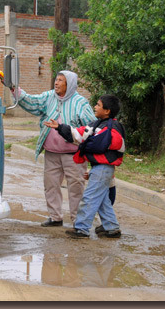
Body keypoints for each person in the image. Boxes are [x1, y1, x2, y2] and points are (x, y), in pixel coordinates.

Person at [11, 71, 96, 226]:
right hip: (52, 153)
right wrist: (15, 89)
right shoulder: (49, 96)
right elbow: (32, 102)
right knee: (50, 185)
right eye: (56, 80)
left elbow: (91, 126)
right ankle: (55, 217)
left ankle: (78, 221)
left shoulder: (80, 103)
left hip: (74, 155)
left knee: (76, 187)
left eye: (61, 80)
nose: (56, 83)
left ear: (69, 84)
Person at [44, 94, 125, 239]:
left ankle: (81, 229)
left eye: (98, 105)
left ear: (107, 111)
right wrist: (60, 127)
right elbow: (79, 134)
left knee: (89, 198)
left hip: (103, 168)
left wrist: (86, 145)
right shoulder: (97, 124)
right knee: (102, 200)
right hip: (99, 168)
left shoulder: (112, 127)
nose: (95, 106)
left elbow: (96, 144)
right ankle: (112, 228)